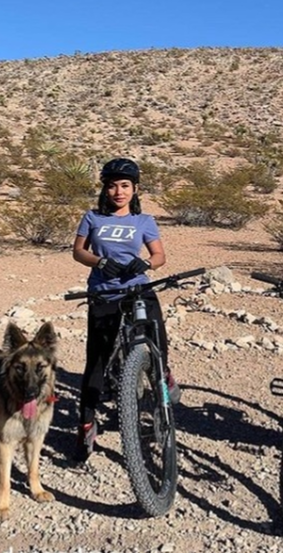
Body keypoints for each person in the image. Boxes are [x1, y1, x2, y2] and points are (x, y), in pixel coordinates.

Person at [71, 157, 179, 462]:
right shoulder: (93, 219)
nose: (119, 191)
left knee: (156, 339)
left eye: (125, 186)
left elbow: (159, 256)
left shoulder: (144, 221)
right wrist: (100, 262)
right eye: (113, 186)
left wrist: (144, 263)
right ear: (105, 190)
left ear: (135, 189)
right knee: (96, 359)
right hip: (104, 293)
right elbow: (79, 251)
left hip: (138, 289)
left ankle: (163, 375)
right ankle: (86, 422)